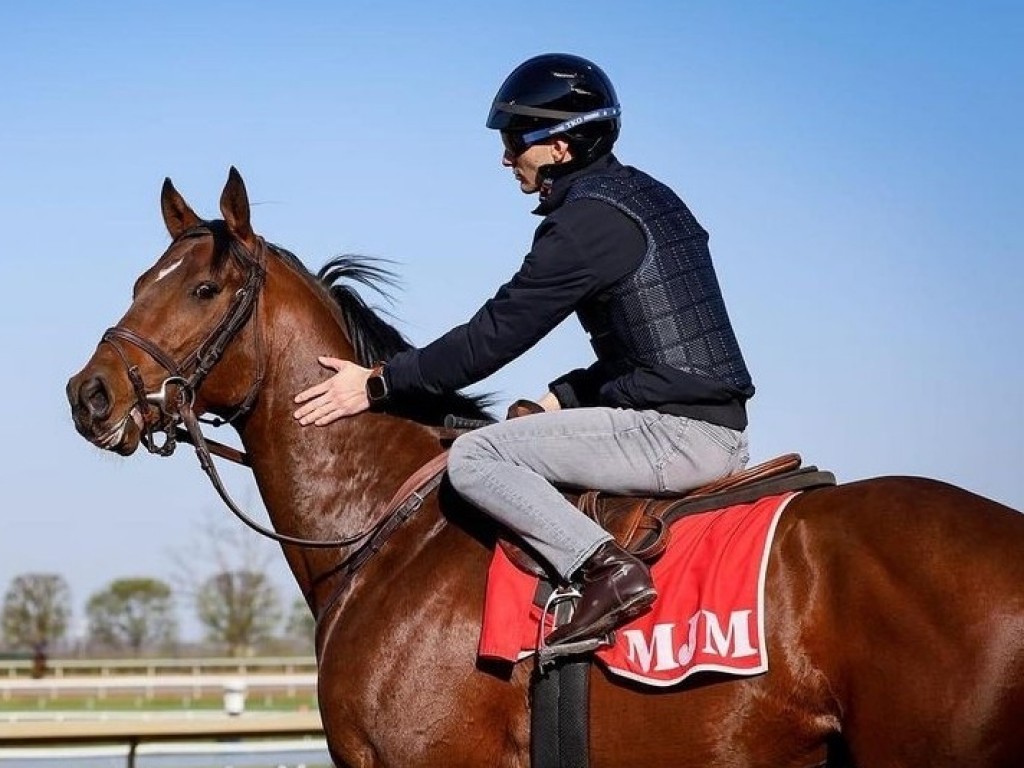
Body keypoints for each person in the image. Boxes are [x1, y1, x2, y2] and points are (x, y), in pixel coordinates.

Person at [293, 53, 754, 648]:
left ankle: (605, 571)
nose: (506, 157)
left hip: (674, 437)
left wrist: (376, 383)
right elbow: (655, 352)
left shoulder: (586, 224)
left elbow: (491, 338)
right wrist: (565, 394)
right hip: (708, 427)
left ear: (560, 147)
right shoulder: (647, 197)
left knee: (476, 459)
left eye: (516, 141)